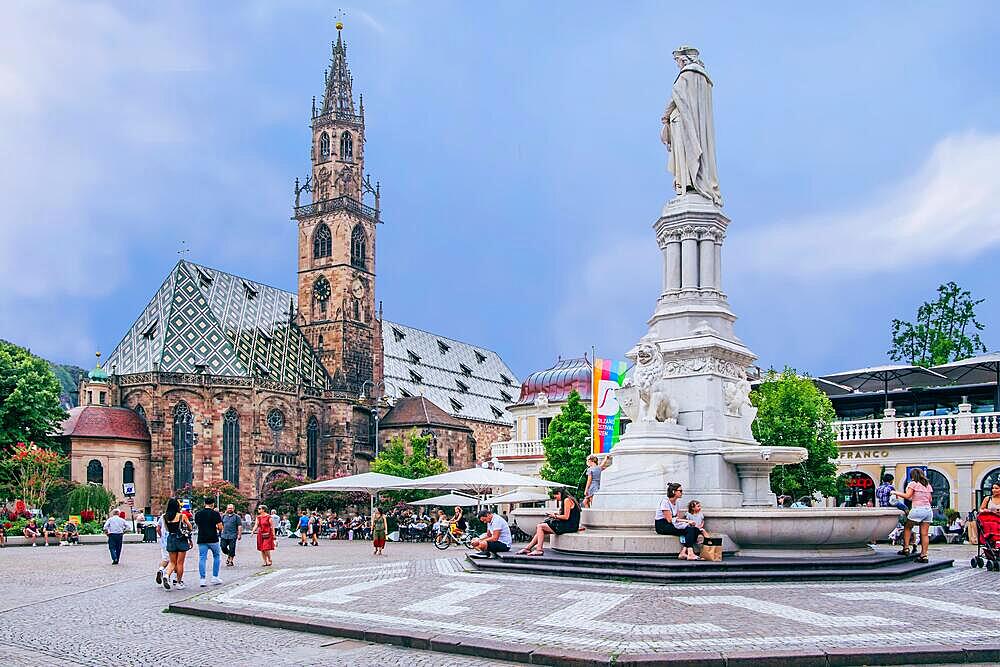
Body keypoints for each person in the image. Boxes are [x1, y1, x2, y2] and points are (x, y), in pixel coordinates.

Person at [517, 488, 580, 557]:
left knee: (540, 526)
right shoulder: (568, 499)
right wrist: (555, 515)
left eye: (555, 496)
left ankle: (539, 550)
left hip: (569, 526)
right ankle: (527, 548)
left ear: (559, 493)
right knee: (541, 528)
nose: (556, 499)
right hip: (569, 524)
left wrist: (555, 516)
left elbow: (566, 517)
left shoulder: (567, 500)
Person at [892, 468, 934, 563]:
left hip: (917, 509)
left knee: (907, 527)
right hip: (928, 510)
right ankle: (924, 555)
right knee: (924, 534)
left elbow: (907, 496)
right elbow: (930, 500)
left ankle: (906, 548)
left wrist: (895, 492)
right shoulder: (927, 485)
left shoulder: (913, 484)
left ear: (912, 476)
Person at [653, 482, 701, 560]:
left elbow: (676, 518)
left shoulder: (677, 502)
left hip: (672, 524)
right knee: (690, 530)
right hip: (662, 525)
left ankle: (683, 552)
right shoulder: (665, 502)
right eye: (680, 491)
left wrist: (686, 523)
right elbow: (669, 519)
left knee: (695, 529)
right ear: (674, 492)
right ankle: (690, 553)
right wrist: (687, 522)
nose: (682, 493)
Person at [163, 497, 193, 589]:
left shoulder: (165, 516)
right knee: (180, 563)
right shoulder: (182, 516)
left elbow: (167, 529)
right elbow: (190, 527)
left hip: (171, 538)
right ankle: (178, 582)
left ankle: (166, 575)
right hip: (180, 538)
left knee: (172, 562)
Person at [194, 499, 224, 587]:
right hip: (213, 538)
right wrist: (217, 529)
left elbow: (197, 524)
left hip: (202, 538)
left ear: (204, 503)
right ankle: (215, 577)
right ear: (213, 504)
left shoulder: (198, 513)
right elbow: (220, 527)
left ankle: (202, 579)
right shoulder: (215, 514)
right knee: (217, 556)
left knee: (202, 558)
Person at [155, 510, 170, 586]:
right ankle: (171, 578)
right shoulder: (178, 515)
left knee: (165, 559)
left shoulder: (163, 516)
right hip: (174, 541)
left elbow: (157, 528)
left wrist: (161, 536)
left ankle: (160, 570)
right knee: (174, 561)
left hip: (164, 541)